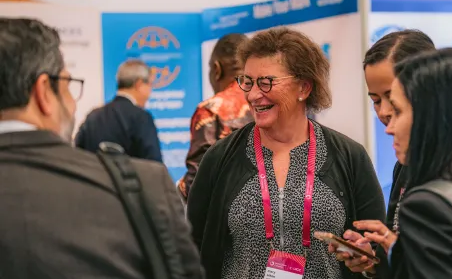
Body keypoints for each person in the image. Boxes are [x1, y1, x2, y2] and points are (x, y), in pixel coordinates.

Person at [0, 18, 204, 278]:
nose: (73, 103)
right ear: (43, 92)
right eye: (67, 85)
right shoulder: (148, 186)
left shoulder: (94, 116)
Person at [186, 27, 386, 279]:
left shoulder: (349, 156)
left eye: (266, 82)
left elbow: (378, 250)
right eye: (247, 82)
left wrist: (367, 258)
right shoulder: (220, 158)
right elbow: (193, 246)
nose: (253, 94)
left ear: (303, 87)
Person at [330, 30, 452, 278]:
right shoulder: (410, 162)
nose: (385, 116)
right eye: (375, 100)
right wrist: (384, 257)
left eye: (396, 104)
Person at [177, 33, 253, 201]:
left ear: (217, 70)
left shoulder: (212, 110)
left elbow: (198, 181)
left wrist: (178, 191)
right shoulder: (268, 102)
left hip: (227, 217)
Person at [75, 59, 162, 162]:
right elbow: (153, 165)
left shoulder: (92, 117)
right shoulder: (141, 118)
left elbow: (78, 154)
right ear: (139, 84)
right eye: (150, 85)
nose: (150, 92)